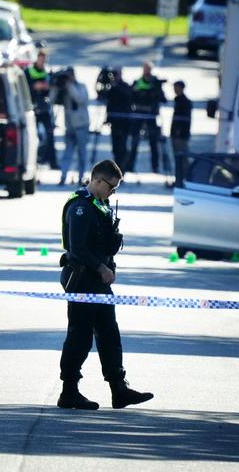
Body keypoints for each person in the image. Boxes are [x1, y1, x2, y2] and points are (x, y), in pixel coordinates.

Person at [57, 159, 154, 410]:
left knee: (110, 334)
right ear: (98, 180)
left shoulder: (100, 205)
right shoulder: (80, 207)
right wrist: (101, 268)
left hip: (99, 282)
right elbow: (77, 247)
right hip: (82, 281)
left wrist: (109, 267)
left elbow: (102, 244)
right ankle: (69, 391)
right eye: (112, 186)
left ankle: (118, 389)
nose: (113, 192)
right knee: (79, 337)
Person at [126, 61, 167, 174]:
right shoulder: (137, 82)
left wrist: (156, 90)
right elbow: (130, 96)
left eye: (149, 69)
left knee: (153, 142)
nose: (147, 71)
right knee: (134, 142)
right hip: (138, 115)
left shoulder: (156, 83)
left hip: (151, 116)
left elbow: (164, 99)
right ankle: (130, 165)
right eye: (145, 68)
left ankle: (155, 166)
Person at [54, 67, 90, 186]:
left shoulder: (81, 86)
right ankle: (63, 176)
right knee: (67, 153)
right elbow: (52, 100)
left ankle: (81, 177)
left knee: (82, 153)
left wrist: (69, 86)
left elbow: (81, 99)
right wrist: (55, 86)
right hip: (69, 127)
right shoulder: (63, 89)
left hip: (81, 125)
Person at [25, 50, 58, 169]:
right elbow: (25, 86)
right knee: (34, 134)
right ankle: (35, 160)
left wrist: (47, 87)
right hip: (32, 106)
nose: (42, 61)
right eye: (41, 59)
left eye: (44, 59)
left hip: (44, 106)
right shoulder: (29, 71)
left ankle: (51, 161)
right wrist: (35, 87)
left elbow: (52, 86)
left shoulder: (47, 71)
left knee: (50, 133)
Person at [104, 67, 132, 171]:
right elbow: (103, 97)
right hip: (114, 123)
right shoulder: (110, 87)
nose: (114, 77)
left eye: (116, 74)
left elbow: (128, 96)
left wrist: (116, 86)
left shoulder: (125, 86)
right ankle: (116, 169)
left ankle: (123, 169)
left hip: (124, 122)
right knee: (115, 147)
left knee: (123, 148)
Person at [170, 80, 192, 181]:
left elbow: (183, 120)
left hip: (181, 136)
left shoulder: (184, 101)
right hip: (177, 135)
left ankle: (185, 178)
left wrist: (178, 131)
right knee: (178, 158)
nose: (174, 89)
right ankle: (179, 178)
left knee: (182, 159)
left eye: (176, 87)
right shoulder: (178, 100)